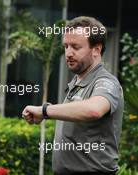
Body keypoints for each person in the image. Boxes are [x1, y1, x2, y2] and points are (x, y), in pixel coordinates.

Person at [22, 16, 124, 175]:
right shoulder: (77, 82)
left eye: (75, 47)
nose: (68, 53)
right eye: (66, 46)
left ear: (96, 49)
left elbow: (94, 110)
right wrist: (48, 110)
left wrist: (44, 111)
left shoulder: (106, 82)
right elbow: (78, 110)